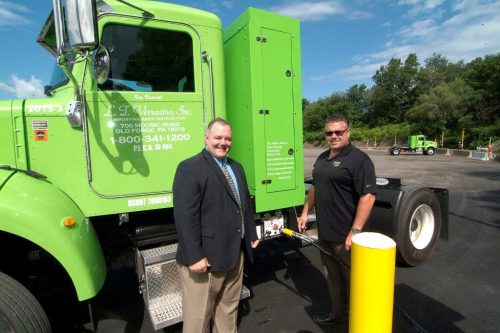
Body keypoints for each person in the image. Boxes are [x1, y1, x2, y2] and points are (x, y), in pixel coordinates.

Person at [173, 118, 260, 333]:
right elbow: (185, 216)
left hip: (234, 254)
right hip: (206, 260)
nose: (223, 143)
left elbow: (244, 203)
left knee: (228, 311)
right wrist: (194, 256)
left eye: (227, 138)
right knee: (198, 320)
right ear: (206, 138)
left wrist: (250, 232)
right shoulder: (189, 168)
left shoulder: (236, 167)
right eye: (218, 138)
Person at [298, 114, 377, 325]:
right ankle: (337, 314)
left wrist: (356, 231)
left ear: (347, 133)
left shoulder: (359, 159)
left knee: (354, 281)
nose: (333, 136)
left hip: (346, 237)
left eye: (338, 132)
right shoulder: (322, 158)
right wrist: (306, 211)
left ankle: (360, 322)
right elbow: (315, 186)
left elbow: (368, 196)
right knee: (332, 278)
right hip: (326, 233)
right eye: (329, 132)